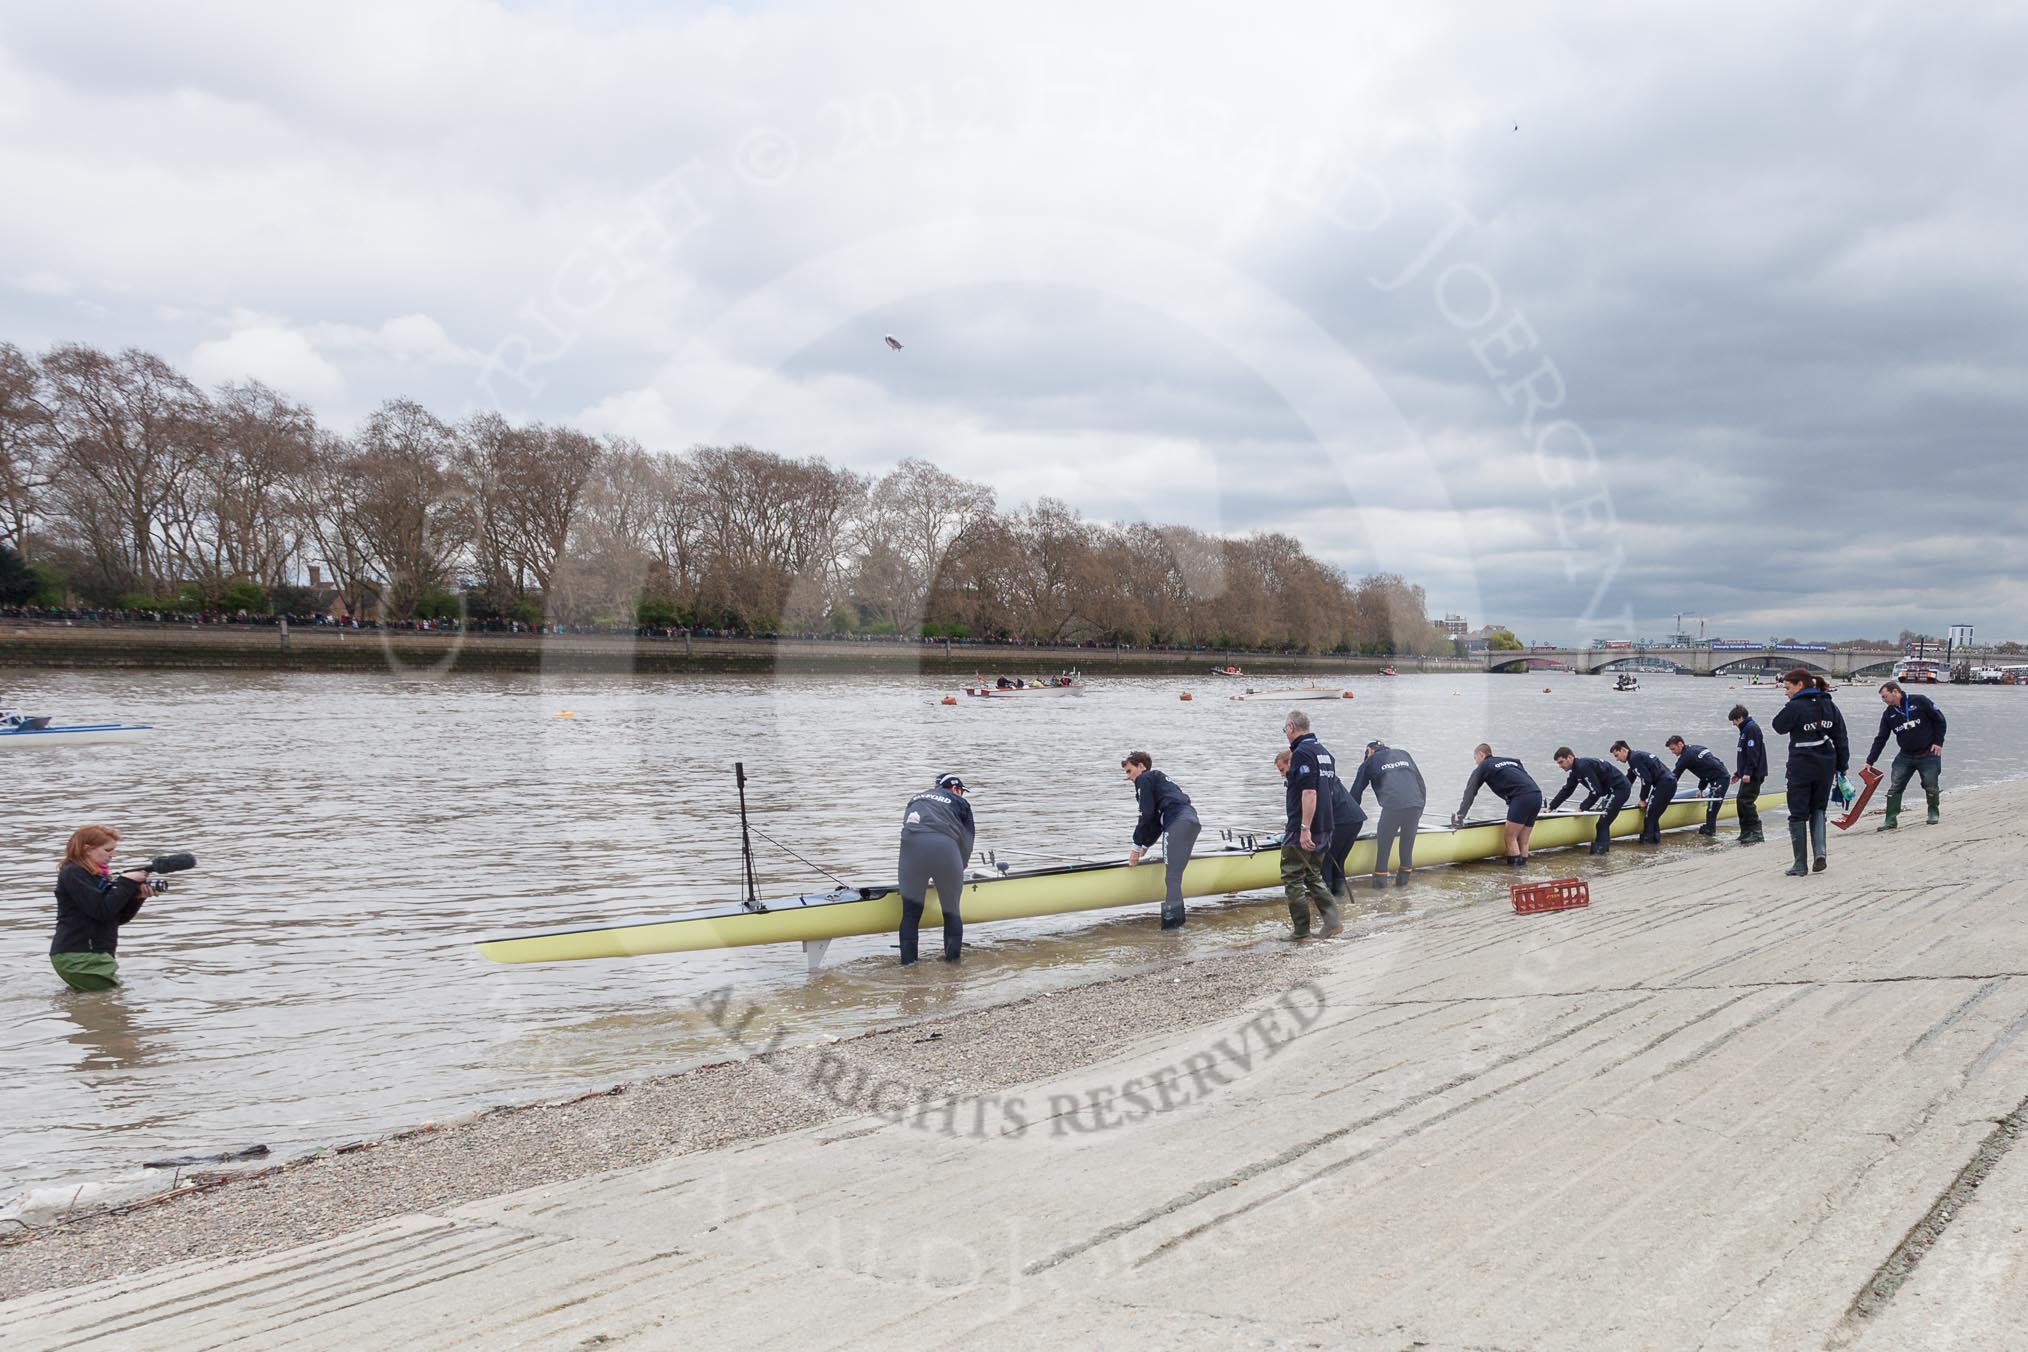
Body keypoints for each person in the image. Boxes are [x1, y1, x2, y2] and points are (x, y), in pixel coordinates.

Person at [50, 825, 156, 991]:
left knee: (103, 1002)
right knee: (112, 998)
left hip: (95, 954)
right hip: (80, 955)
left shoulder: (97, 875)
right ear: (87, 849)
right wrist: (126, 882)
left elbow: (115, 917)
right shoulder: (74, 873)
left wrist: (137, 898)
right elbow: (101, 911)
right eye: (108, 850)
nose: (112, 855)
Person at [1770, 669, 1849, 877]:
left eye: (1787, 688)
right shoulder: (1829, 704)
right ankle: (1820, 853)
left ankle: (1800, 863)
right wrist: (1842, 766)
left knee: (1798, 813)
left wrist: (1791, 706)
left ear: (1800, 685)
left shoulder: (1795, 706)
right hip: (1826, 765)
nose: (1786, 693)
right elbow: (1841, 736)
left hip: (1801, 765)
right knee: (1818, 809)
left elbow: (1778, 726)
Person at [897, 773, 975, 963]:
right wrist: (958, 867)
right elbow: (967, 840)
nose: (962, 794)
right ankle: (953, 966)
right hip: (945, 850)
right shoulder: (959, 801)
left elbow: (907, 829)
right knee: (951, 910)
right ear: (955, 789)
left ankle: (908, 967)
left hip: (911, 851)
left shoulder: (916, 798)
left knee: (910, 914)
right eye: (962, 791)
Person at [1279, 710, 1341, 939]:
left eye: (1285, 729)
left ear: (1291, 727)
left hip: (1305, 826)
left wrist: (1304, 828)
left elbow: (1309, 792)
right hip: (1326, 823)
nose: (1285, 734)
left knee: (1292, 875)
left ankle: (1301, 930)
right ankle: (1332, 922)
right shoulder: (1324, 753)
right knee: (1313, 873)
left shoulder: (1303, 752)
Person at [1122, 751, 1202, 929]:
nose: (1128, 777)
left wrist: (1135, 847)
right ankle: (1178, 926)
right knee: (1175, 876)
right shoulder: (1160, 782)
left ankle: (1172, 927)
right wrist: (1145, 844)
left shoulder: (1145, 778)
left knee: (1172, 877)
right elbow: (1158, 821)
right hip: (1191, 821)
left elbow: (1146, 815)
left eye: (1129, 771)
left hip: (1178, 823)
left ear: (1141, 766)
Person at [1280, 747, 1365, 909]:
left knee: (1324, 863)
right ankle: (1340, 902)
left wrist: (1304, 829)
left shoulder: (1308, 778)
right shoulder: (1319, 772)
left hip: (1341, 820)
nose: (1282, 774)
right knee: (1337, 862)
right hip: (1354, 818)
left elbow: (1314, 804)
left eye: (1282, 769)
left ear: (1291, 763)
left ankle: (1327, 908)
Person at [1865, 680, 1947, 830]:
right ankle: (1890, 819)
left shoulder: (1920, 701)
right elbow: (1881, 738)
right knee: (1895, 786)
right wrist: (1870, 761)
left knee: (1931, 785)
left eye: (1885, 697)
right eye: (1882, 698)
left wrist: (1938, 742)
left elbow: (1940, 720)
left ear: (1895, 692)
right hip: (1905, 756)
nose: (1884, 701)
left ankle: (1933, 812)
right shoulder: (1889, 714)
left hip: (1928, 753)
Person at [1350, 740, 1427, 887]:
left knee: (1384, 850)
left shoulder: (1370, 761)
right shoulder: (1404, 754)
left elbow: (1355, 794)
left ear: (1369, 751)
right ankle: (1402, 888)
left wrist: (1349, 821)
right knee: (1407, 847)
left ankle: (1380, 890)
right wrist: (1419, 809)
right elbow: (1421, 784)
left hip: (1393, 807)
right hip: (1415, 805)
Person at [1450, 744, 1542, 865]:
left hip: (1522, 798)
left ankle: (1515, 874)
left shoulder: (1484, 766)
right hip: (1536, 795)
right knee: (1523, 840)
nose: (1476, 762)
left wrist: (1460, 815)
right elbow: (1519, 778)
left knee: (1510, 838)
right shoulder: (1512, 761)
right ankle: (1523, 870)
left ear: (1481, 754)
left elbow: (1470, 792)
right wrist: (1510, 799)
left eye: (1475, 758)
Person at [1548, 747, 1633, 855]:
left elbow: (1596, 792)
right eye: (1558, 764)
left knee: (1602, 823)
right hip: (1611, 790)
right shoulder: (1575, 771)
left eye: (1561, 762)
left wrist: (1581, 808)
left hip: (1620, 789)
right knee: (1602, 820)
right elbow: (1567, 790)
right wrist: (1550, 807)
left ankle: (1600, 855)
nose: (1560, 766)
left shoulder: (1584, 767)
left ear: (1570, 757)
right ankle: (1600, 852)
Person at [1611, 740, 1679, 844]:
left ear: (1624, 750)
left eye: (1617, 755)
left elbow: (1646, 780)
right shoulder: (1635, 758)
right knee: (1653, 815)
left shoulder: (1634, 759)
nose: (1617, 759)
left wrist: (1643, 798)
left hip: (1665, 783)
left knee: (1650, 815)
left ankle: (1649, 843)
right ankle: (1654, 842)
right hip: (1667, 782)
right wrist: (1615, 791)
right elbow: (1629, 779)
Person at [1665, 735, 1731, 835]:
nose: (1672, 752)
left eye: (1673, 749)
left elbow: (1674, 778)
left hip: (1720, 779)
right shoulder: (1697, 748)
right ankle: (1708, 828)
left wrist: (1663, 793)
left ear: (1680, 744)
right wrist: (1701, 788)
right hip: (1718, 776)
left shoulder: (1685, 758)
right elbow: (1705, 769)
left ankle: (1710, 833)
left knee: (1711, 810)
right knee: (1711, 809)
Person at [1728, 704, 1768, 846]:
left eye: (1734, 720)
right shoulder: (1745, 730)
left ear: (1740, 718)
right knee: (1740, 801)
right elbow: (1743, 754)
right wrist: (1738, 773)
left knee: (1746, 801)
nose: (1733, 724)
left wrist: (1747, 772)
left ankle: (1756, 832)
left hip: (1754, 773)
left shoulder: (1751, 729)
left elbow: (1753, 753)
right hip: (1746, 773)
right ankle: (1745, 832)